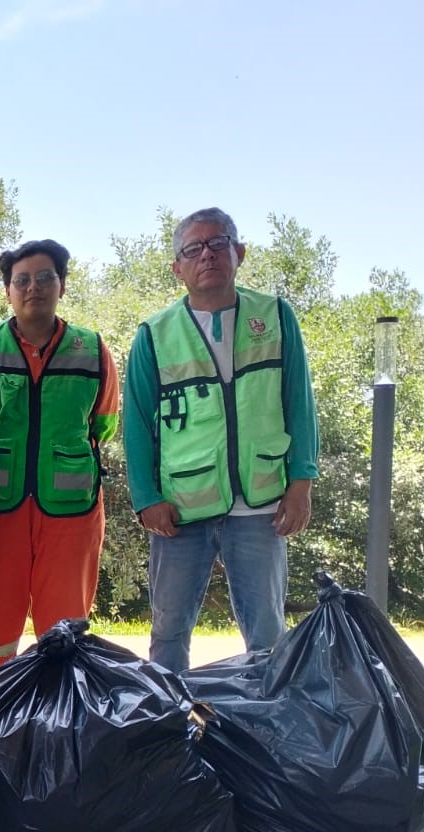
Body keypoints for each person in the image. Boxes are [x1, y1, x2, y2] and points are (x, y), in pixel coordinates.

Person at [123, 207, 319, 673]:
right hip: (180, 507)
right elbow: (135, 422)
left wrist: (301, 482)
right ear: (177, 268)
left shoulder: (274, 316)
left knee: (268, 634)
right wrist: (146, 497)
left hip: (261, 505)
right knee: (168, 632)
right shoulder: (154, 334)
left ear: (239, 252)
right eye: (193, 249)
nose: (206, 255)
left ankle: (267, 730)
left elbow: (300, 402)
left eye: (218, 243)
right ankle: (168, 732)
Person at [0, 239, 120, 679]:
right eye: (22, 280)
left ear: (62, 286)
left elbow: (104, 424)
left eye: (45, 277)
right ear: (8, 290)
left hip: (70, 514)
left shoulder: (93, 351)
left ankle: (62, 727)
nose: (34, 288)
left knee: (66, 634)